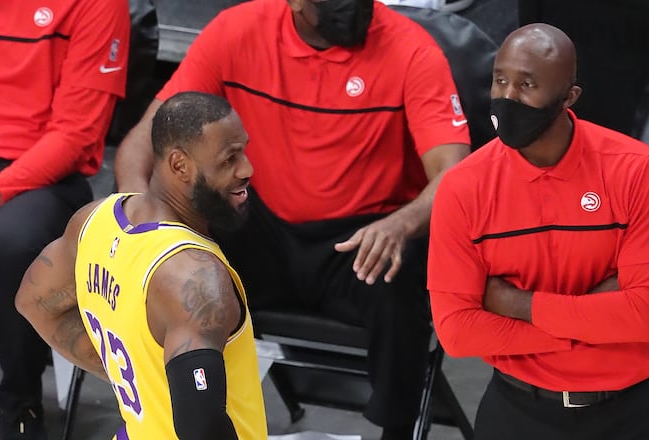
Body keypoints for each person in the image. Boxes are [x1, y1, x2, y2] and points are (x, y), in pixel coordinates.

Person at [113, 0, 470, 437]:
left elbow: (454, 173)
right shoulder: (238, 32)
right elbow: (146, 141)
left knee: (400, 275)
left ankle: (398, 430)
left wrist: (402, 222)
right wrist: (143, 233)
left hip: (362, 238)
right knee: (181, 264)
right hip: (263, 228)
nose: (354, 10)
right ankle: (180, 415)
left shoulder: (411, 49)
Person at [427, 23, 649, 440]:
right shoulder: (462, 187)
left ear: (569, 97)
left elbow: (643, 317)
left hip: (631, 413)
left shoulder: (636, 169)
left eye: (527, 85)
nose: (508, 97)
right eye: (500, 80)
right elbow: (457, 332)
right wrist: (587, 326)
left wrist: (517, 304)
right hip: (518, 413)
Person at [16, 92, 268, 440]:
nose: (247, 169)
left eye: (243, 151)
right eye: (228, 160)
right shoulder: (195, 278)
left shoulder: (94, 221)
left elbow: (34, 303)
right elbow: (201, 430)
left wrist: (132, 376)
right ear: (180, 165)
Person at [0, 1, 129, 438]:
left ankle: (20, 411)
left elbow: (77, 133)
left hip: (42, 175)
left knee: (16, 245)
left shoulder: (98, 6)